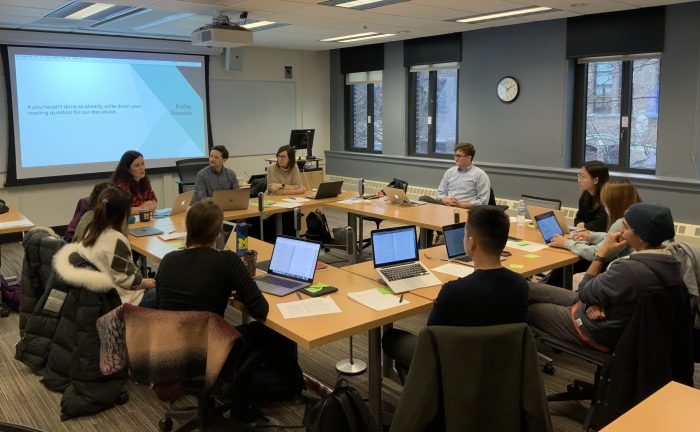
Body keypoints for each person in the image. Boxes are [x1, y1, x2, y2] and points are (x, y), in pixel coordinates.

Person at [155, 200, 304, 414]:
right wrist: (238, 291)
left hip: (170, 351)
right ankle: (281, 390)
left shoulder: (168, 260)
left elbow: (165, 304)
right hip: (210, 352)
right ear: (218, 232)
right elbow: (260, 310)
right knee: (269, 330)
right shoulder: (226, 260)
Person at [382, 206, 528, 377]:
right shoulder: (520, 284)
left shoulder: (453, 291)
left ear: (471, 242)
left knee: (391, 338)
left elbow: (429, 338)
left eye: (465, 235)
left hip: (457, 365)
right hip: (503, 365)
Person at [528, 202, 680, 352]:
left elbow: (584, 292)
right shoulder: (670, 261)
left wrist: (602, 253)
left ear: (640, 235)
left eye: (625, 226)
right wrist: (594, 300)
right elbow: (597, 294)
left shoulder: (628, 269)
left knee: (526, 306)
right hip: (607, 316)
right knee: (528, 288)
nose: (620, 230)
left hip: (594, 330)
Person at [544, 180, 642, 287]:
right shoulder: (637, 216)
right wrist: (590, 237)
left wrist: (566, 243)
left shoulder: (622, 223)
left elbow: (596, 253)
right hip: (630, 271)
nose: (604, 207)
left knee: (569, 265)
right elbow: (612, 237)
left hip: (619, 274)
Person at [77, 186, 156, 306]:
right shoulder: (116, 239)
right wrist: (144, 283)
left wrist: (141, 281)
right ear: (123, 215)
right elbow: (126, 280)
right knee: (168, 290)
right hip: (125, 302)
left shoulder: (91, 230)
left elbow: (119, 275)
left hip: (104, 298)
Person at [433, 143, 491, 208]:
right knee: (424, 198)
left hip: (466, 209)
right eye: (455, 156)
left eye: (459, 156)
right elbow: (440, 193)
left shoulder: (480, 175)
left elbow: (483, 201)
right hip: (447, 206)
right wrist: (445, 200)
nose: (455, 159)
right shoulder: (450, 172)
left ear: (469, 158)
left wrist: (461, 205)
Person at [112, 150, 158, 216]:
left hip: (142, 218)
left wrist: (138, 209)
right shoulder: (121, 185)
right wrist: (142, 208)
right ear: (127, 169)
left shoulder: (144, 180)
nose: (142, 168)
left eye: (142, 164)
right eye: (137, 165)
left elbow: (154, 202)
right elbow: (123, 210)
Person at [574, 160, 609, 232]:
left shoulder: (607, 198)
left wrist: (584, 226)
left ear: (596, 180)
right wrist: (579, 223)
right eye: (579, 176)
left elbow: (600, 225)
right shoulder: (585, 195)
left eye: (583, 177)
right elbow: (578, 218)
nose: (579, 180)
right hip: (585, 234)